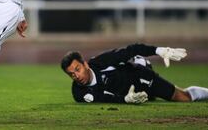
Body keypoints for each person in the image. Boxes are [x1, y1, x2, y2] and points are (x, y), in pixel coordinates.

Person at [61, 43, 208, 104]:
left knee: (182, 97)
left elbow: (130, 50)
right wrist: (125, 99)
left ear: (85, 64)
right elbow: (104, 98)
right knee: (150, 98)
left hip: (138, 76)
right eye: (71, 74)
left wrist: (159, 51)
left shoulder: (101, 62)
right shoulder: (78, 93)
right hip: (130, 94)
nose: (76, 76)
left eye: (77, 69)